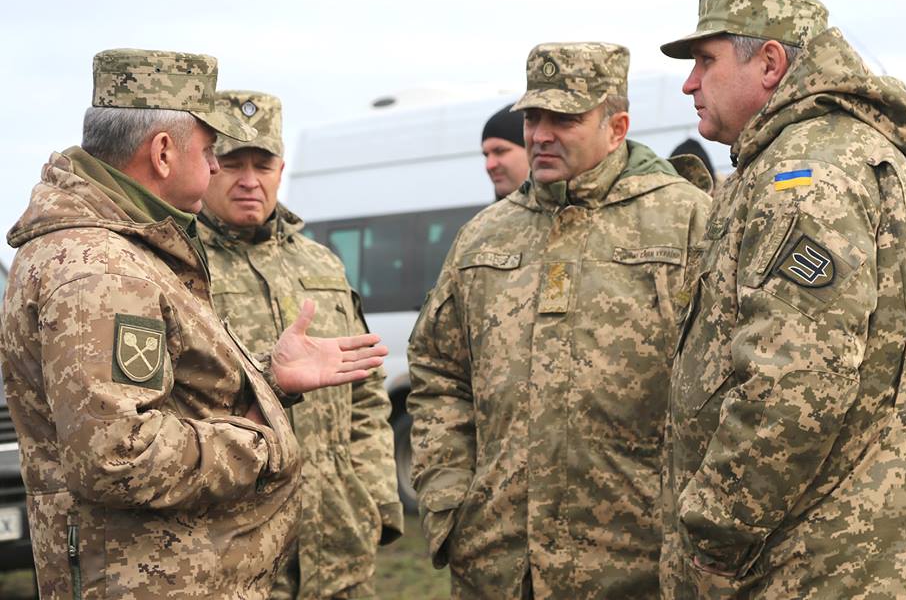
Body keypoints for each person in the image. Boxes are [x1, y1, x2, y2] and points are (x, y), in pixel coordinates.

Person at [0, 49, 387, 599]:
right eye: (210, 152)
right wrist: (264, 441)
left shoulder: (127, 252)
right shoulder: (102, 271)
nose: (216, 169)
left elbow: (163, 397)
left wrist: (269, 382)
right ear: (163, 152)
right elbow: (118, 455)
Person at [659, 0, 906, 597]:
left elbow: (795, 379)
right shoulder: (807, 157)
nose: (690, 83)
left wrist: (714, 528)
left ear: (769, 63)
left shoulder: (807, 175)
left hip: (814, 566)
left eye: (706, 60)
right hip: (840, 555)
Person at [407, 41, 712, 598]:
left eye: (564, 119)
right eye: (533, 118)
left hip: (638, 564)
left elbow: (725, 383)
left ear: (616, 128)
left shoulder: (686, 220)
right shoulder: (484, 235)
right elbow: (438, 372)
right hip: (499, 565)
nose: (541, 135)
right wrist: (449, 500)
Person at [198, 90, 402, 599]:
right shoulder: (181, 265)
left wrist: (374, 499)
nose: (250, 180)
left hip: (338, 545)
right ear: (208, 166)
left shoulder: (320, 262)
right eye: (233, 164)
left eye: (262, 165)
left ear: (281, 169)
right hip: (235, 550)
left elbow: (366, 393)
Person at [481, 103, 528, 200]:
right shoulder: (492, 211)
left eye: (500, 151)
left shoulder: (560, 208)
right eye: (486, 155)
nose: (489, 166)